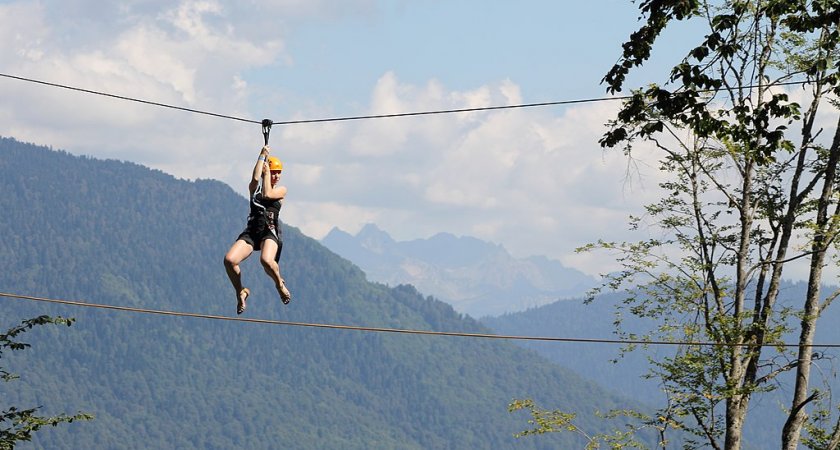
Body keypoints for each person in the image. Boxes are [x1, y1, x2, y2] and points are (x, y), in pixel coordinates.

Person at [224, 145, 292, 314]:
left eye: (278, 172)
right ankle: (240, 291)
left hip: (270, 231)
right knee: (229, 260)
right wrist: (262, 155)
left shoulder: (281, 190)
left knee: (267, 261)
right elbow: (255, 179)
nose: (276, 175)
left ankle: (279, 284)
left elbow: (268, 194)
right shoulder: (254, 190)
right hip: (252, 231)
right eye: (273, 172)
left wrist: (267, 173)